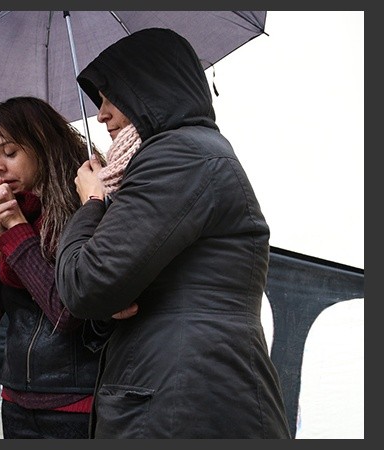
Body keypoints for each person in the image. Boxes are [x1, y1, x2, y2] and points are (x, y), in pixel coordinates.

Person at [54, 28, 291, 438]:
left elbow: (84, 284)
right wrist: (115, 298)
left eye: (112, 96)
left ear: (148, 89)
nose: (101, 114)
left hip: (179, 405)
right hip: (183, 396)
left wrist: (91, 202)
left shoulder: (178, 156)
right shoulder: (187, 155)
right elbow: (120, 287)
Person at [0, 96, 137, 439]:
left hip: (77, 403)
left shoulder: (86, 210)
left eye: (10, 153)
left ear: (42, 146)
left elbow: (65, 311)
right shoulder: (16, 211)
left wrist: (13, 226)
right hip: (16, 400)